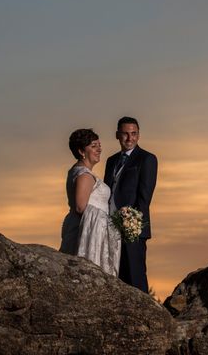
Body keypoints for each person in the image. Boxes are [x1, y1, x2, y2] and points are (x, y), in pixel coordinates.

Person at [104, 117, 158, 293]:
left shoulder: (147, 159)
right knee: (116, 277)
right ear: (117, 135)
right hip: (110, 228)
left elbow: (144, 198)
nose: (130, 138)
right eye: (125, 134)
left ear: (138, 135)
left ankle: (146, 317)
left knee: (135, 278)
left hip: (133, 229)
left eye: (134, 134)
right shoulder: (111, 161)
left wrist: (133, 226)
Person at [60, 128, 121, 276]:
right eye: (94, 146)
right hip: (88, 232)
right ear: (81, 151)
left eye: (99, 145)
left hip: (84, 227)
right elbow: (81, 207)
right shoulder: (84, 175)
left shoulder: (79, 171)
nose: (99, 149)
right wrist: (109, 222)